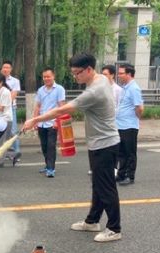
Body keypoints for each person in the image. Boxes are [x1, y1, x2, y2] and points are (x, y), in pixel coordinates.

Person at [23, 52, 121, 243]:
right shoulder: (100, 78)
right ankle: (92, 221)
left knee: (106, 187)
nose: (75, 77)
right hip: (99, 143)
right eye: (73, 73)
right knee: (98, 185)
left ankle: (115, 228)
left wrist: (35, 119)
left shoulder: (95, 91)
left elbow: (62, 110)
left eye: (77, 73)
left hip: (105, 144)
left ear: (89, 69)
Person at [33, 67, 66, 178]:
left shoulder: (59, 89)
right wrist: (34, 121)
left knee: (51, 146)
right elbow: (37, 106)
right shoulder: (40, 90)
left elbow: (61, 106)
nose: (46, 78)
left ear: (53, 76)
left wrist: (58, 121)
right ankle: (48, 165)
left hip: (53, 122)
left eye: (48, 76)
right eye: (44, 77)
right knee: (44, 146)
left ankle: (51, 168)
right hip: (42, 123)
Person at [115, 64, 144, 185]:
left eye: (121, 73)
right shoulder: (124, 87)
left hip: (129, 125)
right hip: (120, 125)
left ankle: (129, 175)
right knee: (121, 152)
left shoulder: (134, 88)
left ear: (129, 74)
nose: (119, 75)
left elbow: (139, 107)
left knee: (130, 152)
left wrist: (136, 118)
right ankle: (121, 174)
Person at [0, 60, 22, 158]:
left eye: (7, 67)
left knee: (13, 130)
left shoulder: (15, 81)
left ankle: (16, 151)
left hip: (10, 108)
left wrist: (4, 105)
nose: (5, 69)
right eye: (4, 67)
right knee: (2, 131)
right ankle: (4, 153)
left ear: (11, 69)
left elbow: (13, 95)